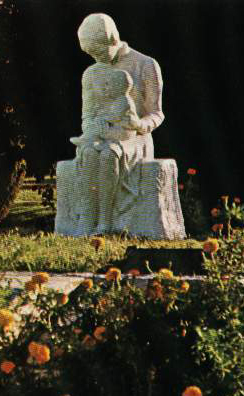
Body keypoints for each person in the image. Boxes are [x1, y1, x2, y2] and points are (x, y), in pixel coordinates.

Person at [55, 13, 165, 237]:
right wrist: (93, 129)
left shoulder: (145, 65)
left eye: (98, 51)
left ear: (112, 39)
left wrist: (138, 124)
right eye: (90, 53)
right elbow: (87, 115)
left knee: (109, 155)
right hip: (102, 133)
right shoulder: (91, 74)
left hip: (134, 137)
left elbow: (156, 113)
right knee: (87, 152)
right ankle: (88, 216)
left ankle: (105, 221)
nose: (96, 58)